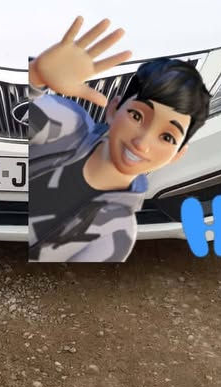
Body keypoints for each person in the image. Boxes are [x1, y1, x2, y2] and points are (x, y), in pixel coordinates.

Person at [28, 17, 211, 263]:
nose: (142, 142)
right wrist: (35, 75)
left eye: (167, 137)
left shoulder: (116, 233)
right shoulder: (66, 124)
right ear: (113, 110)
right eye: (137, 116)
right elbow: (4, 120)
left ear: (177, 154)